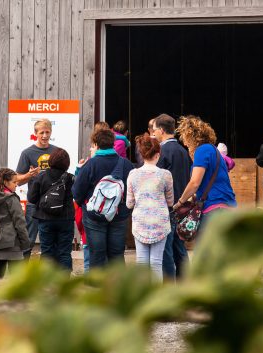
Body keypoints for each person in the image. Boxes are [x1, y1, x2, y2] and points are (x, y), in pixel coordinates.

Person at [72, 129, 134, 268]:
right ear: (113, 143)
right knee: (117, 254)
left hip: (95, 216)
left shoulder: (90, 165)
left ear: (96, 144)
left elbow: (77, 193)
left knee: (97, 255)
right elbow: (132, 191)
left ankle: (98, 282)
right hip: (119, 215)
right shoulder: (126, 164)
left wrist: (85, 205)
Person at [173, 116, 237, 227]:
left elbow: (195, 183)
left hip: (214, 208)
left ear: (192, 136)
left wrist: (180, 202)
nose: (185, 143)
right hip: (226, 206)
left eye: (185, 138)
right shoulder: (212, 150)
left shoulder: (202, 150)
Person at [126, 134, 173, 281]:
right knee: (156, 263)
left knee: (141, 263)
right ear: (158, 154)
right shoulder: (165, 175)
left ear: (141, 154)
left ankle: (142, 293)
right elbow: (170, 201)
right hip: (160, 223)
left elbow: (129, 203)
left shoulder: (133, 175)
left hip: (140, 222)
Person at [152, 114, 191, 280]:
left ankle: (169, 282)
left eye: (154, 130)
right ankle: (185, 280)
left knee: (166, 248)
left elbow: (156, 179)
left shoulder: (163, 152)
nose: (153, 134)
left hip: (167, 206)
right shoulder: (183, 151)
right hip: (182, 205)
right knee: (178, 245)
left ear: (161, 130)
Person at [16, 119, 59, 259]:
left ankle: (48, 270)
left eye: (47, 132)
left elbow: (63, 176)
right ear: (35, 133)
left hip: (53, 202)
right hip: (34, 202)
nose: (45, 136)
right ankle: (23, 270)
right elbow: (17, 181)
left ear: (51, 132)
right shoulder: (27, 153)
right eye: (42, 133)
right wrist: (29, 175)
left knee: (50, 240)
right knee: (28, 239)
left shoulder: (57, 152)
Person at [27, 148, 75, 271]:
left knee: (47, 252)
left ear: (50, 161)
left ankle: (47, 280)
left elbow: (31, 198)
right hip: (66, 219)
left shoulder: (41, 176)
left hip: (45, 218)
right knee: (64, 252)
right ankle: (64, 281)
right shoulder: (70, 178)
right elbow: (78, 195)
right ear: (67, 163)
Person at [0, 168, 31, 280]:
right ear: (5, 182)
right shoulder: (11, 199)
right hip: (13, 243)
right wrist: (25, 242)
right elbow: (19, 222)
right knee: (16, 277)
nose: (16, 185)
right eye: (14, 182)